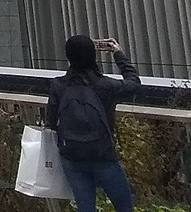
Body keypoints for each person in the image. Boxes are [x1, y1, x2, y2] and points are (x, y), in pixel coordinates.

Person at [44, 35, 141, 212]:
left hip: (72, 157)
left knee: (86, 208)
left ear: (69, 56)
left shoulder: (58, 85)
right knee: (124, 207)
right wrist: (118, 53)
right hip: (103, 156)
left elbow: (50, 121)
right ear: (92, 55)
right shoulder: (105, 85)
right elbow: (134, 84)